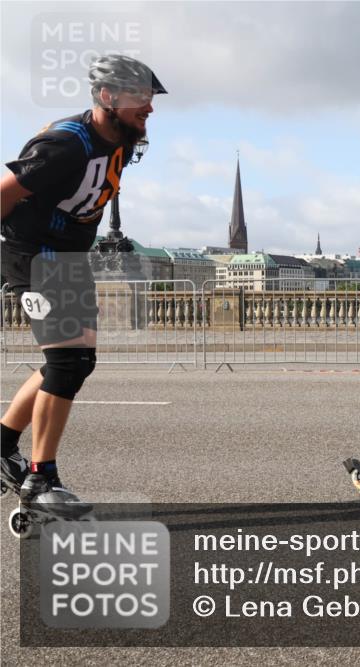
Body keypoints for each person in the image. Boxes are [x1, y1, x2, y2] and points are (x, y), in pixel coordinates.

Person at [0, 55, 166, 516]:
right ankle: (40, 477)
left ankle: (2, 445)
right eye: (140, 99)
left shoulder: (124, 140)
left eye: (151, 100)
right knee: (67, 361)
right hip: (34, 255)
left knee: (75, 363)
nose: (149, 109)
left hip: (67, 258)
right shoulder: (65, 143)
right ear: (107, 98)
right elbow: (3, 194)